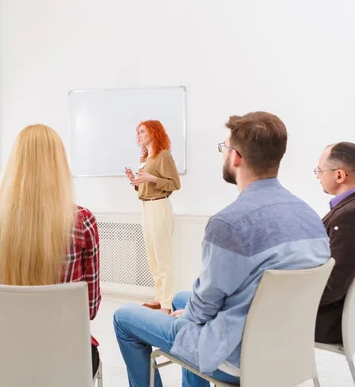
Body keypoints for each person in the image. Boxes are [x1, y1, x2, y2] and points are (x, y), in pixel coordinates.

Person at [114, 111, 330, 387]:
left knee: (124, 317)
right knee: (182, 298)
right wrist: (190, 309)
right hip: (285, 351)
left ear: (235, 157)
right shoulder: (310, 216)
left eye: (224, 148)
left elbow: (204, 306)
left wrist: (190, 315)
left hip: (235, 357)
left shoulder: (230, 223)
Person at [0, 124, 102, 377]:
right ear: (60, 166)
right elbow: (89, 309)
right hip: (66, 355)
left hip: (7, 354)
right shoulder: (82, 221)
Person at [124, 120, 181, 314]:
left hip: (159, 206)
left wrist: (150, 178)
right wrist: (135, 181)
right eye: (137, 132)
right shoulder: (147, 158)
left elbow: (174, 184)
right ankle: (159, 297)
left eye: (142, 131)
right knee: (152, 256)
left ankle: (167, 303)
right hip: (146, 207)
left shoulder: (163, 156)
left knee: (163, 256)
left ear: (154, 133)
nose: (138, 136)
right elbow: (146, 186)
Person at [315, 142, 355, 344]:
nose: (317, 176)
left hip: (331, 322)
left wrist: (296, 301)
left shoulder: (348, 215)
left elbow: (335, 283)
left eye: (320, 170)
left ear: (339, 175)